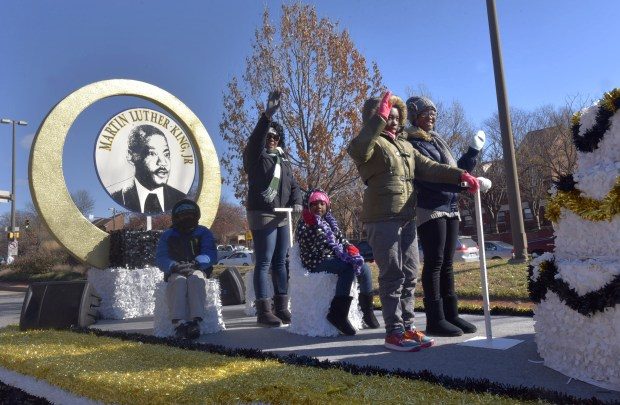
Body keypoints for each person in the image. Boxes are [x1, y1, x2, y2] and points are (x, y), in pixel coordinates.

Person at [347, 91, 479, 351]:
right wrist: (379, 118)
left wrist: (461, 175)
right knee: (392, 275)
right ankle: (393, 331)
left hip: (407, 217)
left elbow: (430, 167)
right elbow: (359, 149)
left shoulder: (405, 145)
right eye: (387, 117)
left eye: (396, 117)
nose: (393, 122)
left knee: (409, 275)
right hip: (383, 219)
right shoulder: (369, 145)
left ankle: (408, 327)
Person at [406, 96, 484, 336]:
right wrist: (462, 185)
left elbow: (453, 171)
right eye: (425, 112)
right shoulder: (413, 142)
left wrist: (472, 152)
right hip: (431, 207)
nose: (431, 116)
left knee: (448, 264)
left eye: (433, 113)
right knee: (435, 262)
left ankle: (451, 315)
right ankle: (435, 319)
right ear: (414, 116)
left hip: (450, 206)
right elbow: (431, 175)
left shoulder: (437, 141)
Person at [243, 90, 303, 327]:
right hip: (262, 213)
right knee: (265, 261)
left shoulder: (284, 161)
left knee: (281, 262)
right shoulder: (255, 158)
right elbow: (255, 139)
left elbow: (294, 185)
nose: (271, 140)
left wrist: (297, 201)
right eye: (269, 136)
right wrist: (266, 116)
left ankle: (281, 307)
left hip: (282, 215)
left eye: (276, 137)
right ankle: (263, 310)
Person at [296, 189, 380, 335]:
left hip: (334, 258)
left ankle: (367, 310)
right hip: (316, 261)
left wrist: (350, 248)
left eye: (322, 203)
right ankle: (338, 314)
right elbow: (305, 241)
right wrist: (312, 225)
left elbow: (340, 239)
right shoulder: (305, 222)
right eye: (314, 204)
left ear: (327, 205)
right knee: (347, 269)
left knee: (363, 267)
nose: (318, 207)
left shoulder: (330, 221)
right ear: (308, 206)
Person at [155, 199, 217, 339]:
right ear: (176, 218)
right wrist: (173, 266)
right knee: (179, 282)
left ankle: (196, 321)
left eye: (190, 215)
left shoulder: (204, 232)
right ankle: (179, 323)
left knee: (196, 279)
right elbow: (161, 257)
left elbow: (211, 253)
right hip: (176, 270)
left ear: (196, 216)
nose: (187, 218)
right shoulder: (168, 235)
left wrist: (197, 263)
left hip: (197, 267)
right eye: (183, 216)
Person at [111, 124, 185, 214]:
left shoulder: (180, 198)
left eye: (166, 154)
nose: (162, 162)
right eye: (152, 153)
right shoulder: (119, 198)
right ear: (131, 156)